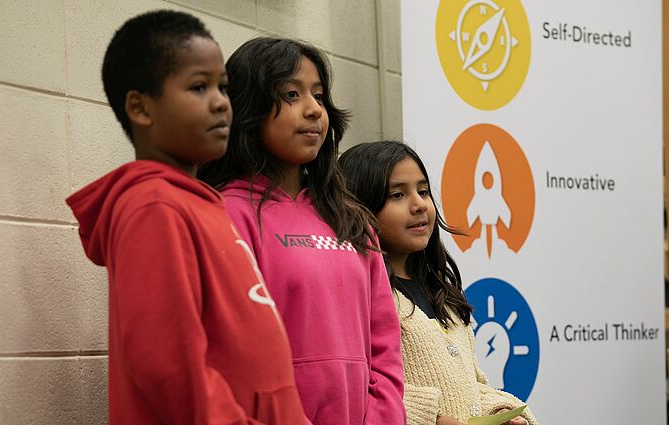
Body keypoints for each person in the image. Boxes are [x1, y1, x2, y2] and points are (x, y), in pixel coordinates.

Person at [66, 11, 307, 424]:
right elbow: (167, 368)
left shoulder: (202, 204)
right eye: (199, 87)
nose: (220, 102)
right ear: (141, 108)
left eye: (223, 88)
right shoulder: (153, 207)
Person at [198, 37, 405, 425]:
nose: (313, 110)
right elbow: (232, 355)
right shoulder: (225, 215)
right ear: (249, 109)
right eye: (291, 95)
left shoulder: (351, 221)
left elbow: (386, 348)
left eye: (319, 96)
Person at [339, 141, 538, 425]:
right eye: (397, 195)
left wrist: (501, 414)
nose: (419, 205)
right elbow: (356, 391)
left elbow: (473, 385)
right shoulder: (359, 296)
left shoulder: (440, 292)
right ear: (360, 207)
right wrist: (431, 419)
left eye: (422, 191)